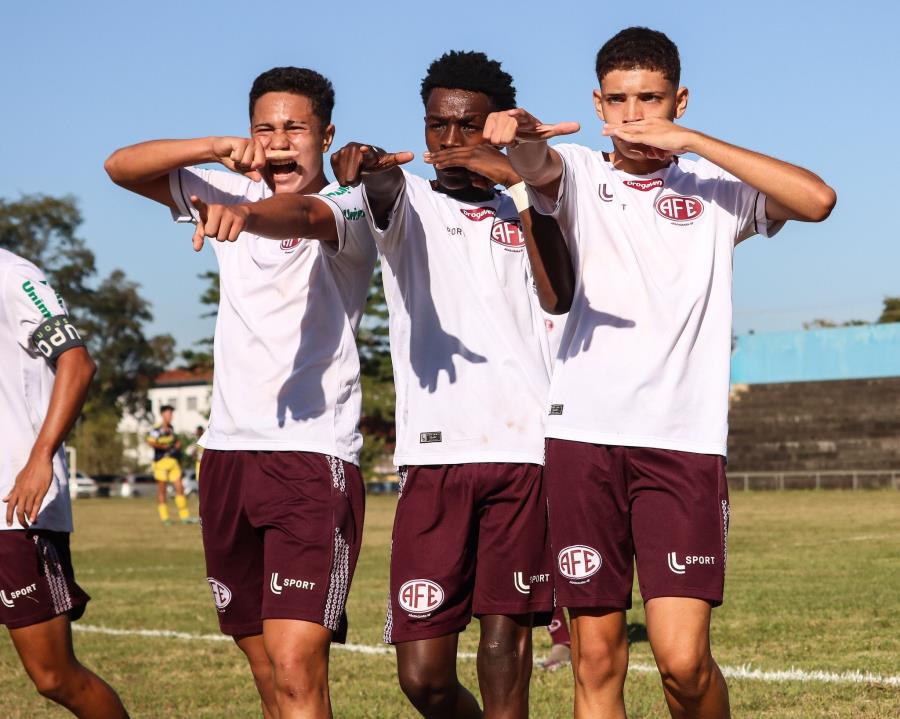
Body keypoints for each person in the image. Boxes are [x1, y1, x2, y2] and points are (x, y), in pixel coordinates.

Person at [485, 26, 836, 719]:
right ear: (597, 101)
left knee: (682, 662)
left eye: (650, 99)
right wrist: (518, 135)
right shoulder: (580, 174)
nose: (633, 115)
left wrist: (696, 142)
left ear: (679, 99)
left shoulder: (715, 189)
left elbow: (818, 200)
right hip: (585, 441)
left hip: (683, 445)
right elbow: (537, 163)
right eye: (617, 100)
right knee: (595, 660)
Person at [105, 66, 376, 719]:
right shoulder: (225, 183)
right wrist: (211, 148)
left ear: (326, 134)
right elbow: (119, 167)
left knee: (294, 665)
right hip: (225, 456)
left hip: (313, 460)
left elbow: (300, 213)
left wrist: (244, 213)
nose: (280, 142)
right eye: (265, 128)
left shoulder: (348, 203)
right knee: (263, 664)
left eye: (296, 128)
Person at [329, 50, 572, 719]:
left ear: (493, 128)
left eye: (466, 126)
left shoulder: (530, 202)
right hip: (434, 457)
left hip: (525, 452)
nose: (449, 140)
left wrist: (519, 185)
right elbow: (378, 191)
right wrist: (365, 167)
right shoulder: (409, 201)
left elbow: (558, 297)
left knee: (504, 649)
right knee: (424, 677)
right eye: (437, 125)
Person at [0, 248, 130, 718]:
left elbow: (77, 364)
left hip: (14, 511)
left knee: (53, 676)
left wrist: (40, 457)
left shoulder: (14, 276)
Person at [146, 404, 192, 524]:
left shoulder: (171, 428)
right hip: (161, 463)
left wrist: (177, 444)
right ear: (162, 414)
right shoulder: (157, 429)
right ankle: (165, 518)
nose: (170, 415)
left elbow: (175, 441)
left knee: (180, 488)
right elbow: (150, 442)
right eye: (168, 413)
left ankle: (185, 517)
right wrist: (163, 446)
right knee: (162, 491)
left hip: (173, 461)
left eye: (171, 413)